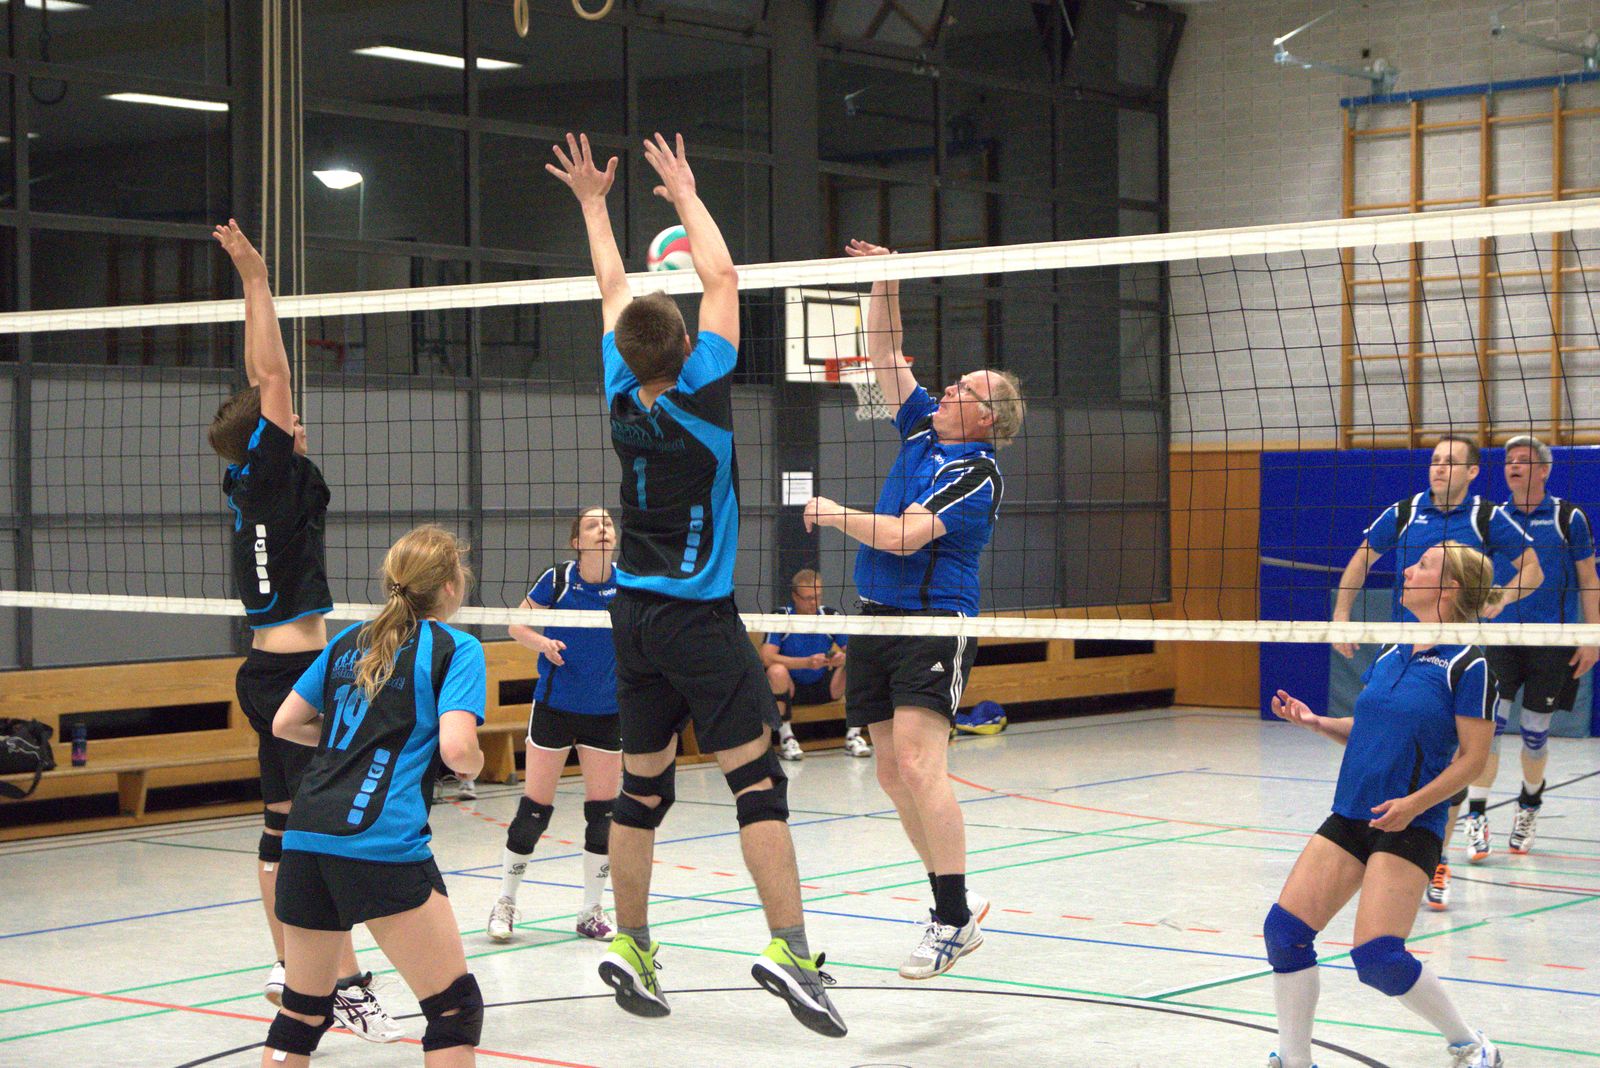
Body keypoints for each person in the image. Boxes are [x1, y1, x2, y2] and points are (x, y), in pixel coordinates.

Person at [545, 130, 845, 1038]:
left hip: (631, 619)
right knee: (757, 784)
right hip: (697, 619)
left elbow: (611, 286)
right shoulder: (705, 390)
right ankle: (792, 952)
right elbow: (723, 277)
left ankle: (634, 946)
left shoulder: (619, 387)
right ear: (685, 344)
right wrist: (683, 189)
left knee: (640, 792)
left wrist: (593, 205)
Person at [803, 238, 1025, 980]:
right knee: (893, 774)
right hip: (876, 617)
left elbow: (903, 537)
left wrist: (833, 514)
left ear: (987, 417)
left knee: (922, 764)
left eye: (965, 389)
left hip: (933, 623)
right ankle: (954, 901)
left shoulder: (975, 473)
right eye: (954, 384)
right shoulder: (926, 425)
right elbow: (884, 352)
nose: (949, 389)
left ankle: (952, 918)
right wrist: (886, 279)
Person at [207, 220, 401, 1041]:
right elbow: (272, 371)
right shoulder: (273, 471)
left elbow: (270, 389)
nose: (297, 421)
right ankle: (340, 983)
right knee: (325, 832)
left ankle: (288, 962)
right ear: (266, 435)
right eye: (283, 421)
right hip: (297, 680)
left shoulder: (245, 485)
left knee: (281, 827)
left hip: (265, 671)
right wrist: (256, 280)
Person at [1265, 542, 1504, 1068]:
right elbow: (1370, 727)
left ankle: (1470, 1042)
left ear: (1449, 589)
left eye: (1424, 565)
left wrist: (1414, 804)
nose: (1408, 570)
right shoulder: (1393, 649)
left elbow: (1474, 759)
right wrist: (1317, 723)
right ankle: (1296, 1060)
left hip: (1410, 824)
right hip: (1353, 812)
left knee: (1378, 959)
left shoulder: (1470, 665)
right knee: (1285, 933)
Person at [263, 525, 486, 1068]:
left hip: (305, 837)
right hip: (378, 841)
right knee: (453, 1010)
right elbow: (458, 750)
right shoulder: (457, 648)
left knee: (301, 1014)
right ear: (450, 586)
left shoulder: (346, 642)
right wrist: (475, 764)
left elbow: (284, 723)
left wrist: (353, 740)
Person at [1330, 434, 1541, 910]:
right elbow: (1361, 559)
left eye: (1450, 461)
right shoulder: (1405, 511)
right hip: (1403, 649)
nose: (1439, 468)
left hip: (1454, 654)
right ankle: (1379, 841)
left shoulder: (1486, 516)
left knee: (1454, 754)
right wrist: (1341, 616)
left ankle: (1435, 853)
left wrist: (1499, 599)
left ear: (1472, 472)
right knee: (1389, 742)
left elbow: (1533, 569)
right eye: (1435, 460)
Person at [488, 506, 622, 943]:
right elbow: (516, 625)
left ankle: (590, 911)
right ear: (576, 542)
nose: (602, 529)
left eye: (607, 523)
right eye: (592, 525)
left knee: (603, 815)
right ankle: (505, 901)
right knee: (534, 811)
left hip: (607, 711)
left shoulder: (628, 583)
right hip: (555, 706)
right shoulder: (558, 579)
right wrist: (543, 643)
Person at [1470, 435, 1599, 860]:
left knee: (1534, 734)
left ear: (1544, 470)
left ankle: (1528, 806)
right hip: (1501, 639)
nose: (1514, 466)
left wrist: (1592, 636)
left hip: (1550, 641)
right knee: (1488, 730)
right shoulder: (1493, 517)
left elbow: (1588, 579)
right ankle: (1477, 816)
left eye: (1524, 460)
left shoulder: (1568, 517)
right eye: (1509, 460)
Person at [762, 568, 863, 760]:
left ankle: (854, 735)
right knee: (776, 671)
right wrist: (806, 663)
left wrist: (842, 658)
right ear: (795, 596)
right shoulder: (781, 616)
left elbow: (854, 651)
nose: (813, 603)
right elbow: (766, 657)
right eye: (808, 598)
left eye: (817, 597)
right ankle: (787, 738)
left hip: (826, 685)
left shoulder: (829, 616)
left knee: (859, 662)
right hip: (790, 688)